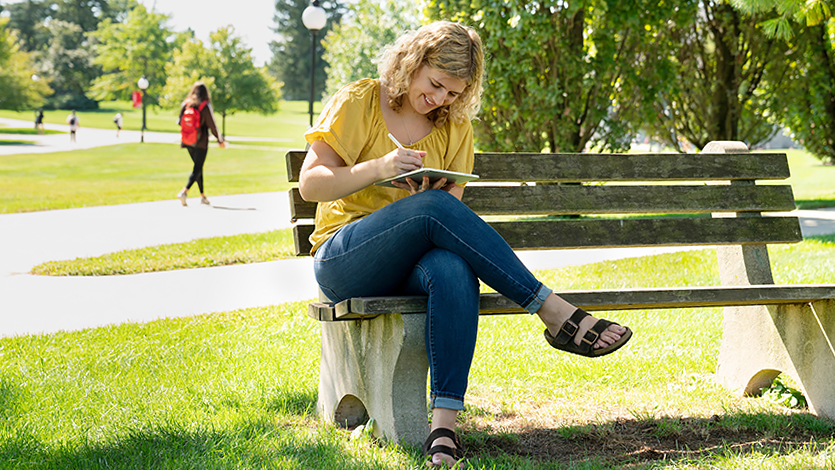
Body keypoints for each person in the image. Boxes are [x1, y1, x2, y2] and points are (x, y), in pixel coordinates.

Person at [298, 21, 632, 468]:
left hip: (411, 258)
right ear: (411, 64)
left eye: (453, 93)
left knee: (454, 270)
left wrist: (420, 202)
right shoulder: (360, 101)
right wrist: (380, 168)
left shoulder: (455, 127)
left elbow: (447, 219)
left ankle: (444, 429)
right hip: (345, 257)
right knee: (434, 208)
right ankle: (553, 311)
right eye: (434, 85)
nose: (439, 100)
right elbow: (311, 185)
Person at [176, 82, 225, 206]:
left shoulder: (186, 104)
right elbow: (212, 124)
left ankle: (202, 196)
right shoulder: (204, 106)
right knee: (197, 168)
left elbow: (179, 121)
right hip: (201, 142)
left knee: (198, 168)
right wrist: (219, 140)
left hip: (187, 141)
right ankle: (184, 192)